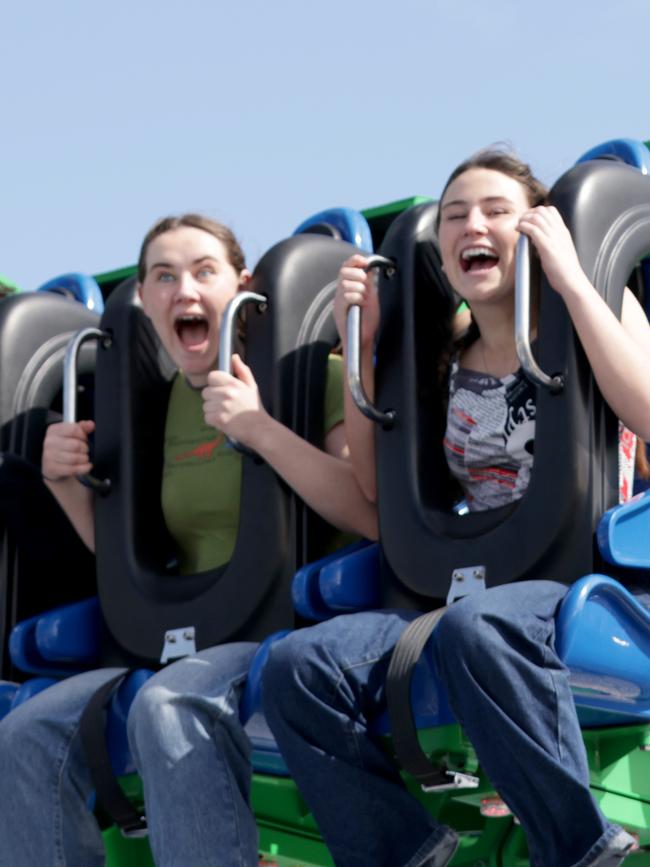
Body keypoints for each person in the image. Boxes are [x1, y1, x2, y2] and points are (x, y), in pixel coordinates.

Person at [262, 150, 650, 867]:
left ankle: (579, 850)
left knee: (481, 627)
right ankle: (403, 852)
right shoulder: (444, 353)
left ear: (536, 226)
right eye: (455, 215)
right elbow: (377, 490)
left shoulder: (588, 301)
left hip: (586, 577)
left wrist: (568, 277)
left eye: (497, 211)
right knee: (296, 664)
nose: (474, 224)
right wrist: (365, 345)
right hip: (465, 586)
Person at [0, 214, 377, 867]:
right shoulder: (153, 401)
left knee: (167, 703)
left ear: (244, 285)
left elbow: (364, 507)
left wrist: (260, 429)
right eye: (164, 276)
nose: (184, 290)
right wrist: (65, 482)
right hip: (176, 638)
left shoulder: (309, 373)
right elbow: (127, 564)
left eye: (204, 271)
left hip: (281, 630)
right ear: (144, 300)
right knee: (25, 734)